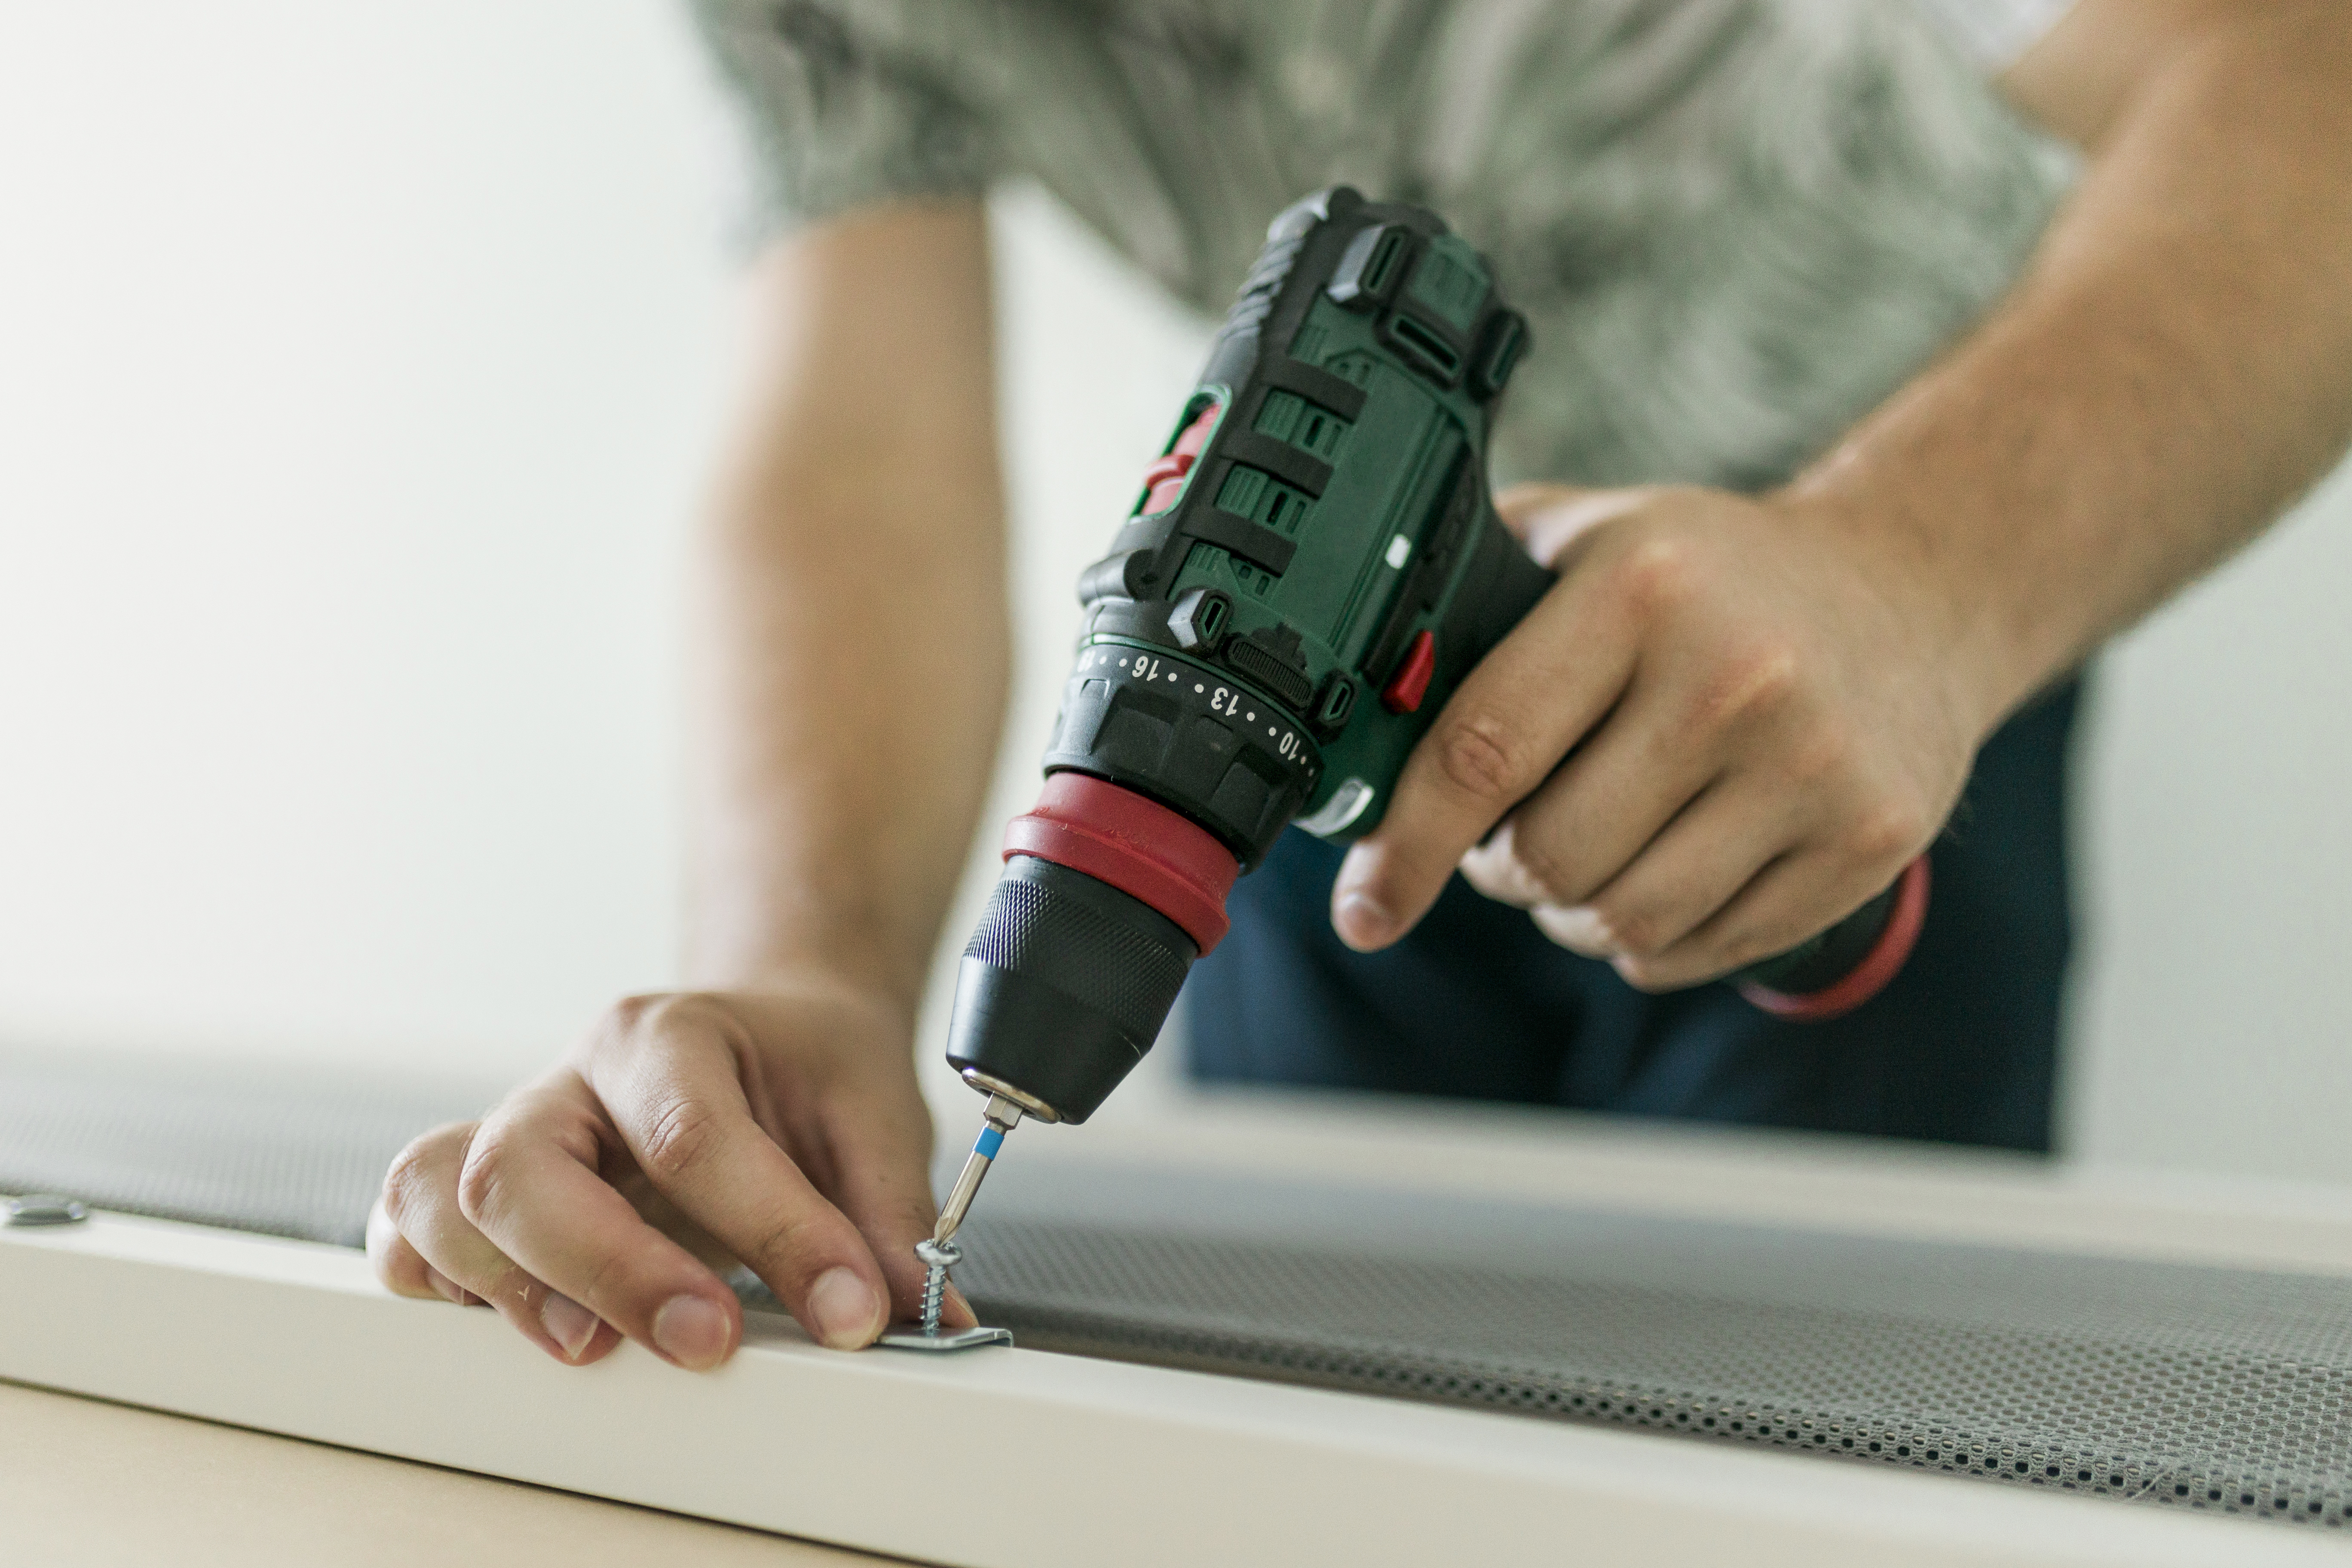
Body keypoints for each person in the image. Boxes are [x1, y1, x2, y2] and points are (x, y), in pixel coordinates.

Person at [368, 0, 2352, 1374]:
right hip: (1310, 711)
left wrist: (1918, 577)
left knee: (1808, 1445)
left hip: (1858, 661)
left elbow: (2304, 68)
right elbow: (862, 441)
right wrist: (801, 968)